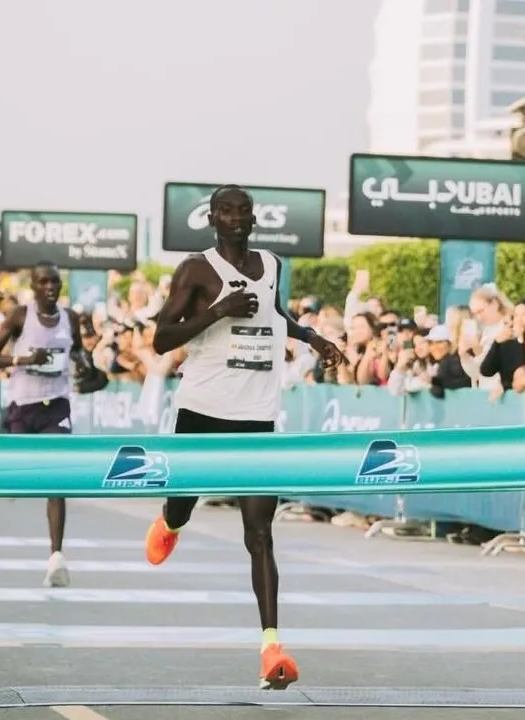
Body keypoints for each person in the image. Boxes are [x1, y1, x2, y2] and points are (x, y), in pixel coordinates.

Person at [142, 184, 345, 690]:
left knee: (260, 534)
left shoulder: (272, 264)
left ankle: (271, 648)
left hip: (257, 416)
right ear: (212, 218)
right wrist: (215, 312)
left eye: (244, 211)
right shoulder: (196, 269)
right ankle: (171, 520)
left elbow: (272, 314)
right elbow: (161, 338)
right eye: (227, 211)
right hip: (203, 412)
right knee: (182, 507)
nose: (236, 219)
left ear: (254, 219)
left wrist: (310, 336)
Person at [0, 261, 102, 589]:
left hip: (57, 404)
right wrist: (23, 360)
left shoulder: (70, 318)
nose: (50, 288)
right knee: (21, 478)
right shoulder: (20, 316)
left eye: (55, 283)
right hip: (24, 404)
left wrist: (89, 367)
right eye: (44, 282)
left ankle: (56, 557)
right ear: (34, 286)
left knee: (57, 477)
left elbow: (77, 351)